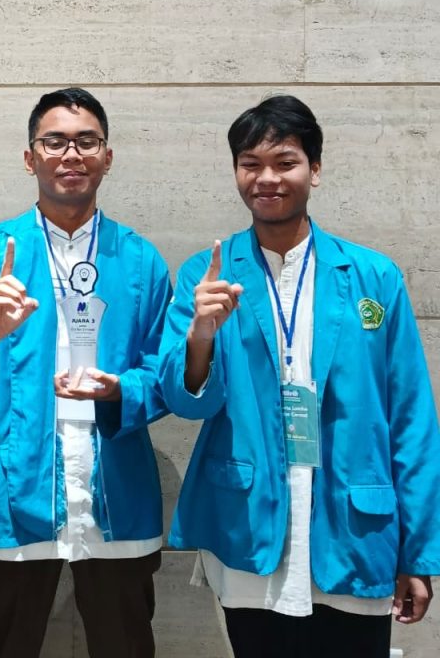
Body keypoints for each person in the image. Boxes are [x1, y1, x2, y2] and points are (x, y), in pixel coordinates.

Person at [159, 94, 440, 658]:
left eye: (284, 162)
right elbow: (185, 403)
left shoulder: (373, 276)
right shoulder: (207, 275)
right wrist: (201, 336)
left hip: (355, 526)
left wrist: (419, 553)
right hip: (249, 521)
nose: (266, 178)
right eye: (250, 163)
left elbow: (411, 418)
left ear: (315, 169)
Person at [0, 87, 171, 658]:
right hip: (13, 488)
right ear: (30, 157)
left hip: (116, 490)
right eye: (54, 142)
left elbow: (168, 372)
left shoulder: (140, 259)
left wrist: (122, 389)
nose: (71, 154)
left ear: (108, 156)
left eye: (86, 141)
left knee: (128, 646)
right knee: (5, 644)